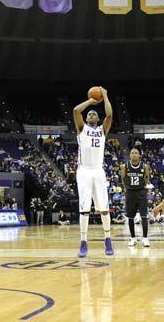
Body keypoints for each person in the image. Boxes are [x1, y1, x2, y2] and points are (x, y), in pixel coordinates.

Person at [73, 87, 114, 258]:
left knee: (104, 209)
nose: (91, 115)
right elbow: (76, 110)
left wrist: (104, 95)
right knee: (84, 209)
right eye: (89, 114)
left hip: (98, 170)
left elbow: (110, 115)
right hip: (84, 171)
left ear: (98, 118)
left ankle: (108, 239)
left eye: (93, 114)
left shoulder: (102, 130)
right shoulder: (81, 128)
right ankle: (83, 242)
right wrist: (91, 100)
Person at [119, 148, 151, 247]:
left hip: (141, 193)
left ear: (139, 155)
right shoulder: (125, 166)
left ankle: (145, 238)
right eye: (132, 153)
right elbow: (123, 179)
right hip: (130, 193)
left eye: (136, 153)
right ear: (130, 155)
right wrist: (127, 189)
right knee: (130, 217)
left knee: (144, 216)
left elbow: (147, 178)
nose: (134, 154)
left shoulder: (144, 166)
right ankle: (133, 238)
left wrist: (143, 189)